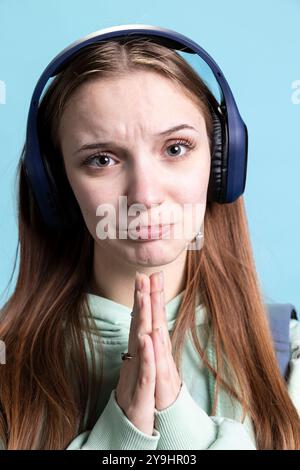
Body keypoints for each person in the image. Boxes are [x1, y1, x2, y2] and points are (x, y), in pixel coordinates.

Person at [0, 35, 299, 451]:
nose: (144, 196)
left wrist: (179, 423)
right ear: (56, 185)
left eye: (175, 148)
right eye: (101, 159)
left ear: (222, 164)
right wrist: (120, 435)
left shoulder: (290, 357)